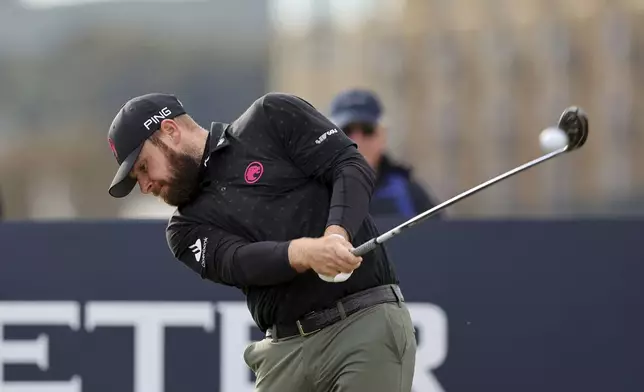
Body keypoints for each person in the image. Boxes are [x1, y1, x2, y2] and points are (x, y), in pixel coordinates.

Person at [106, 92, 416, 391]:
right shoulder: (184, 228)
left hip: (364, 322)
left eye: (144, 167)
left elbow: (349, 165)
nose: (144, 186)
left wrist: (337, 232)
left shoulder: (271, 117)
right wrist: (306, 252)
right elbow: (237, 261)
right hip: (284, 352)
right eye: (137, 179)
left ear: (171, 131)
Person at [329, 88, 444, 220]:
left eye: (368, 130)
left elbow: (441, 237)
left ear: (383, 136)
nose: (357, 140)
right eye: (346, 131)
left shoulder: (409, 194)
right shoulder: (311, 192)